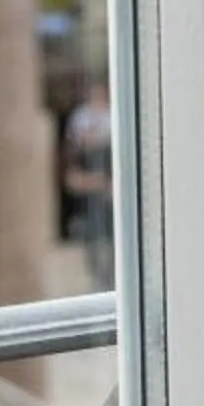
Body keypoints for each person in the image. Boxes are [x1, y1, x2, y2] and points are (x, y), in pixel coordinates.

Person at [61, 82, 116, 288]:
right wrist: (97, 182)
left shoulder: (108, 153)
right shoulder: (81, 153)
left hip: (108, 215)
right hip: (90, 212)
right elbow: (73, 180)